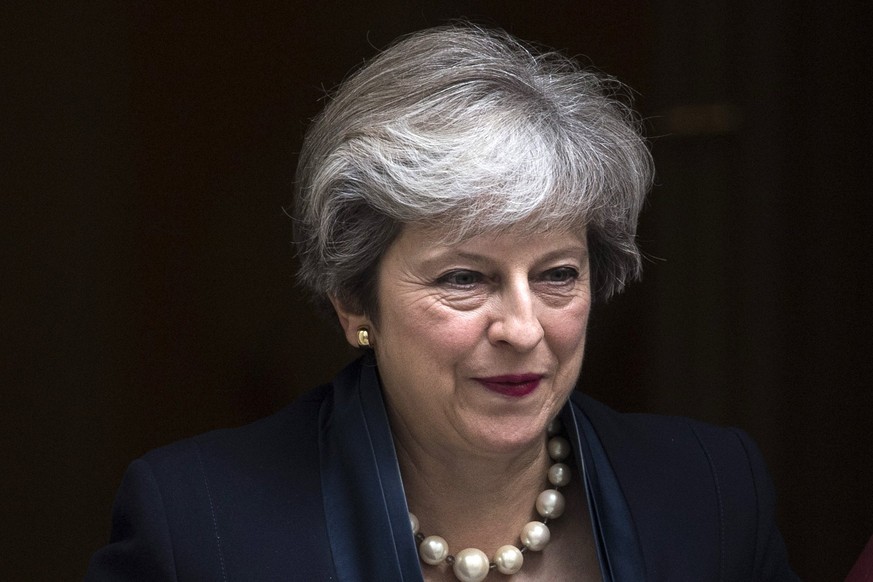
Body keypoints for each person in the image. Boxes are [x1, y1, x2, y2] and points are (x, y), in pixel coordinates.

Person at [85, 24, 798, 581]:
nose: (521, 328)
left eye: (555, 274)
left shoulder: (709, 492)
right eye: (464, 279)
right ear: (352, 299)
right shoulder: (198, 524)